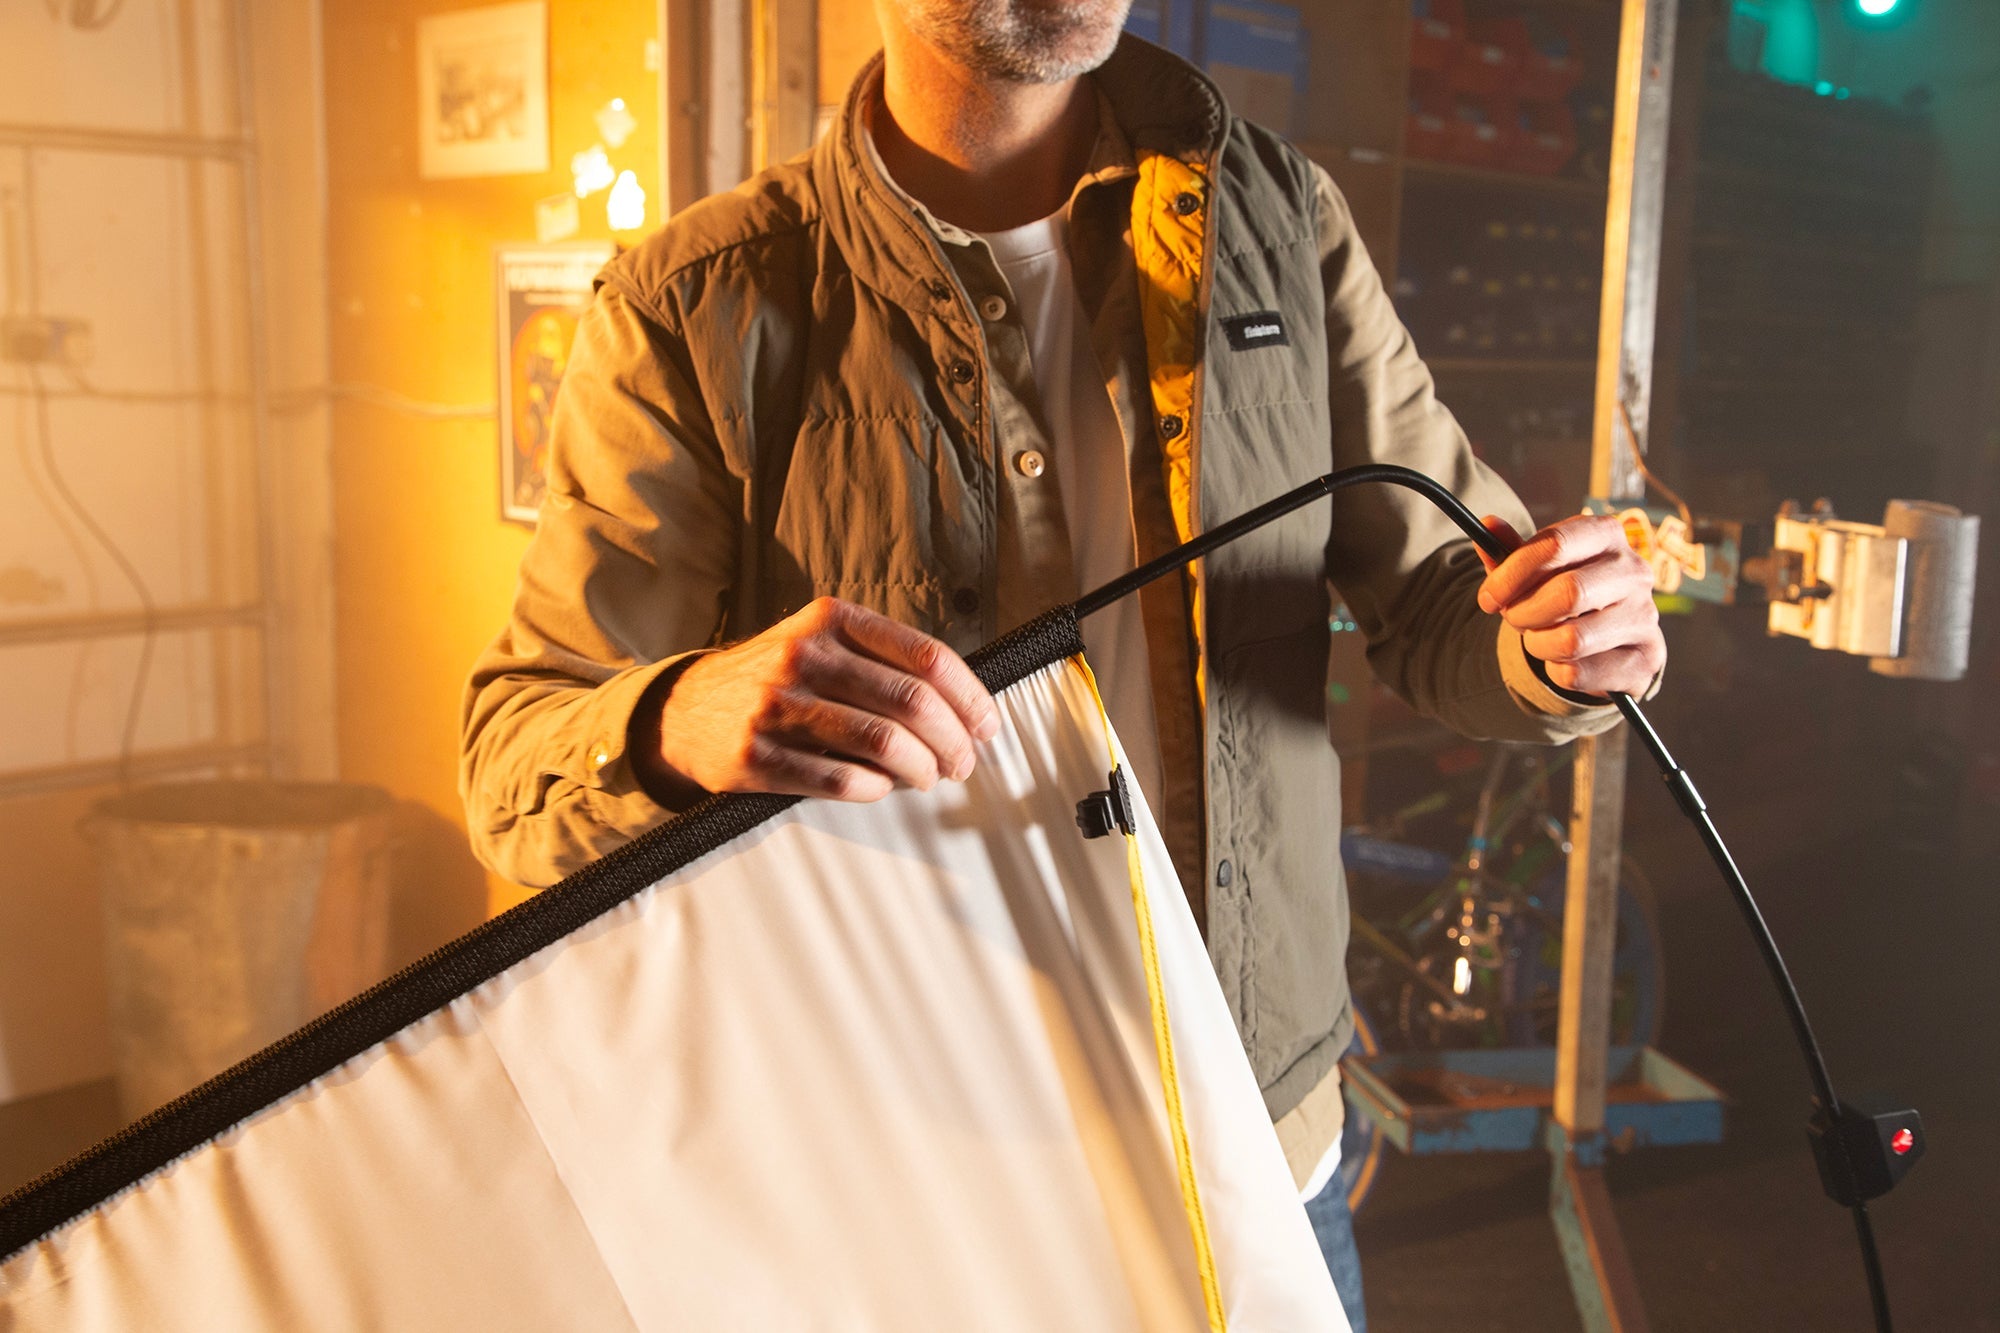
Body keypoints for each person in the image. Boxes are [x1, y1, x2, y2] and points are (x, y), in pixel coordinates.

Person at [460, 2, 1665, 1324]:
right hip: (916, 1198)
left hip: (1256, 1151)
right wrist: (684, 717)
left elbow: (1445, 599)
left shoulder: (1281, 217)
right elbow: (517, 756)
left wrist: (1557, 644)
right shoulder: (699, 300)